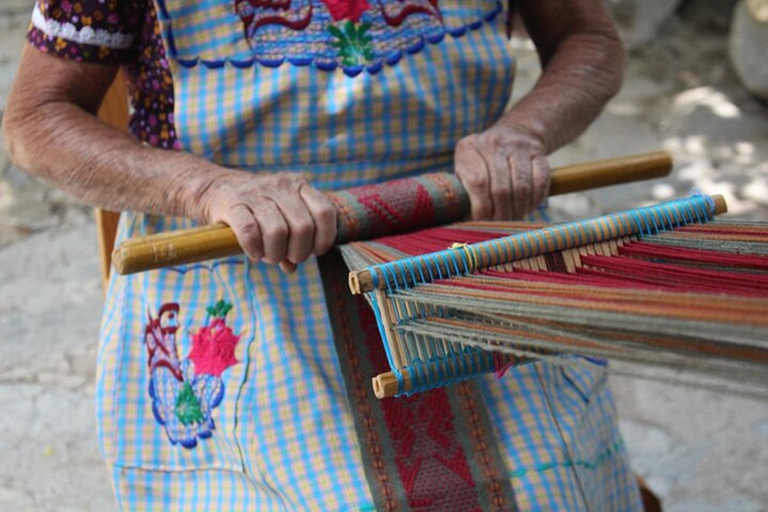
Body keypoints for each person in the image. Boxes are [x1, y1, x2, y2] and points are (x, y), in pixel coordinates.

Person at [4, 0, 640, 509]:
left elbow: (590, 41)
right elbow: (36, 121)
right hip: (253, 263)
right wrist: (207, 188)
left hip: (466, 243)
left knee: (542, 487)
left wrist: (522, 133)